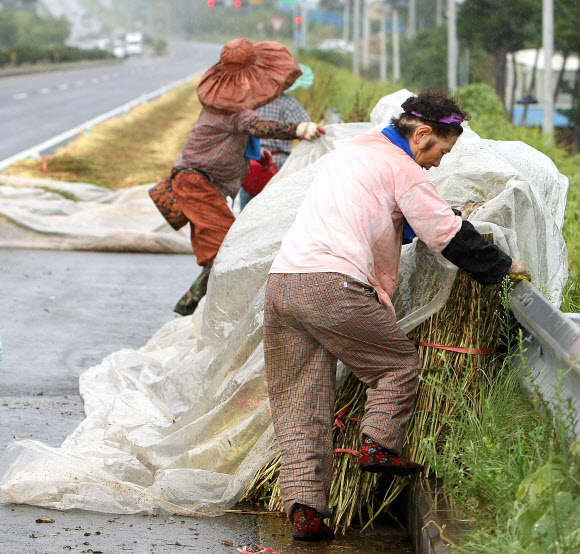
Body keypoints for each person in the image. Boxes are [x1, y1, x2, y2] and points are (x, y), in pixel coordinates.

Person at [263, 88, 531, 542]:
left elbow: (391, 218)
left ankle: (306, 509)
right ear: (422, 133)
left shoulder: (355, 153)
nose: (439, 163)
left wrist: (438, 211)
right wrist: (504, 267)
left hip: (283, 283)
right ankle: (379, 447)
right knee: (397, 365)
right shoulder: (403, 167)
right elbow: (445, 236)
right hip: (331, 284)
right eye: (441, 151)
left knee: (301, 403)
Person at [171, 39, 324, 316]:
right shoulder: (232, 111)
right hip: (196, 183)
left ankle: (201, 309)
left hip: (202, 183)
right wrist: (298, 129)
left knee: (226, 252)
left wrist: (257, 153)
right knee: (227, 251)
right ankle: (193, 310)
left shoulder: (223, 105)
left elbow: (242, 134)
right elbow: (257, 125)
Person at [239, 64, 314, 211]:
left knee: (245, 213)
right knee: (273, 214)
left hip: (250, 166)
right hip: (277, 168)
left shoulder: (250, 102)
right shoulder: (289, 104)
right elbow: (308, 133)